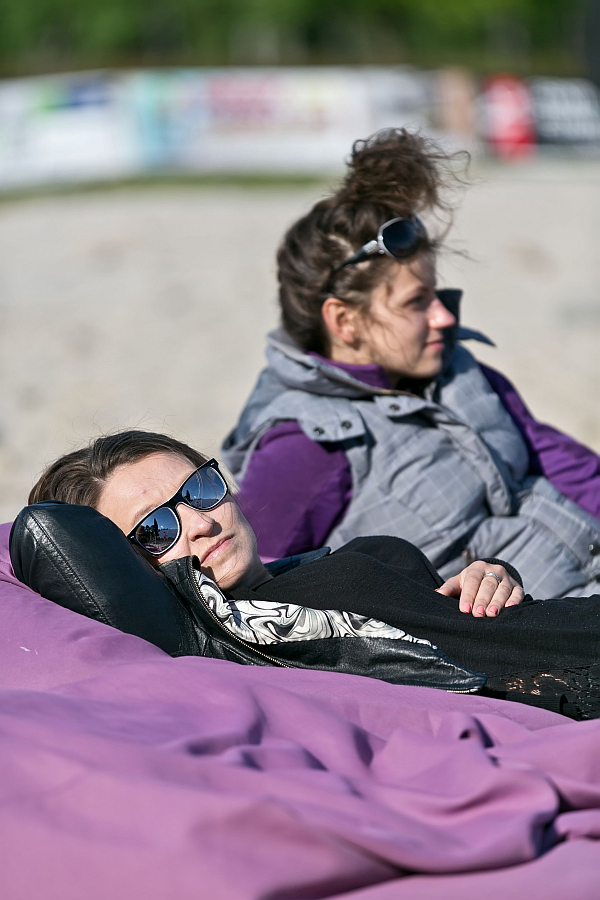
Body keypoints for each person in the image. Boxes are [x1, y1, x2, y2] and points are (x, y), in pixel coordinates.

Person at [221, 128, 600, 600]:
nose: (444, 316)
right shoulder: (304, 447)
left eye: (436, 294)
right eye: (416, 302)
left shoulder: (458, 369)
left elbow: (573, 471)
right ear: (344, 321)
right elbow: (252, 596)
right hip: (532, 637)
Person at [21, 430, 600, 720]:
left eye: (200, 489)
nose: (200, 522)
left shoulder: (307, 571)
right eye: (155, 529)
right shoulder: (242, 636)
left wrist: (492, 576)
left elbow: (463, 630)